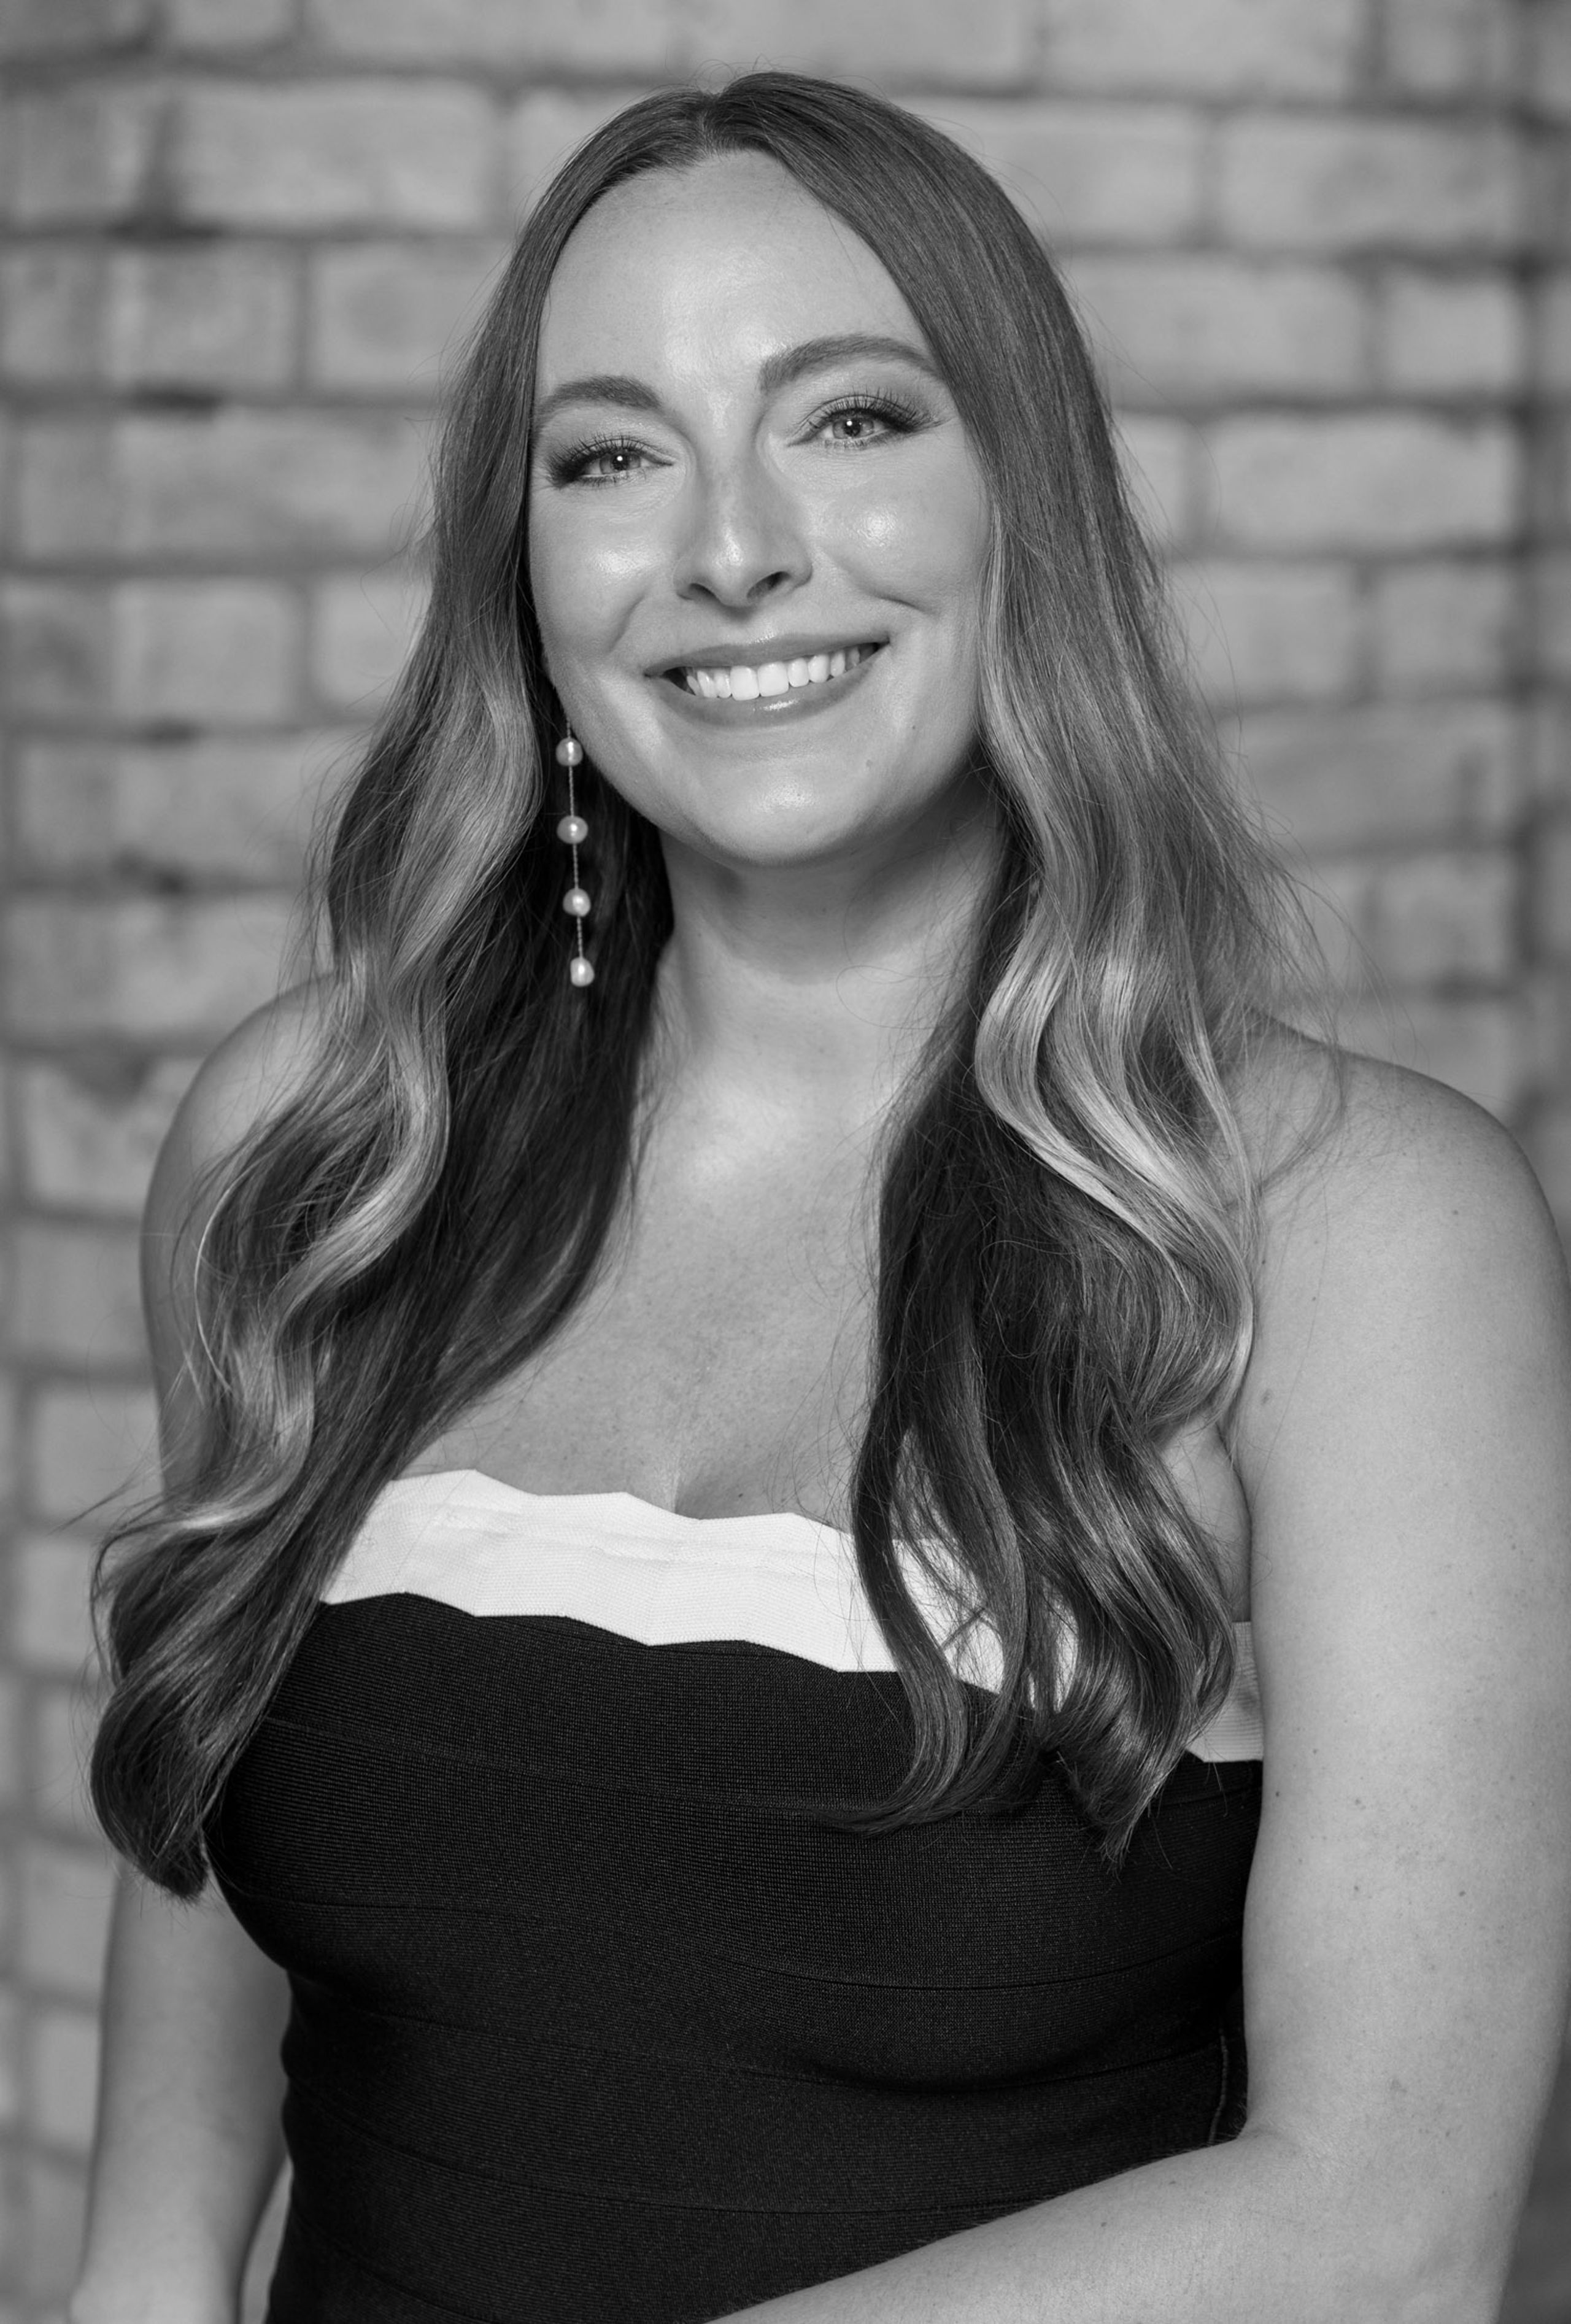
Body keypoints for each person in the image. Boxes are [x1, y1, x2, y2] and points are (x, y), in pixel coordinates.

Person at [72, 70, 1571, 2324]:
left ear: (1024, 505)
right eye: (610, 457)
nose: (733, 548)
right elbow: (207, 1903)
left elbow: (1386, 2228)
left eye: (850, 420)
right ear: (525, 577)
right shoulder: (326, 1149)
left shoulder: (1357, 1236)